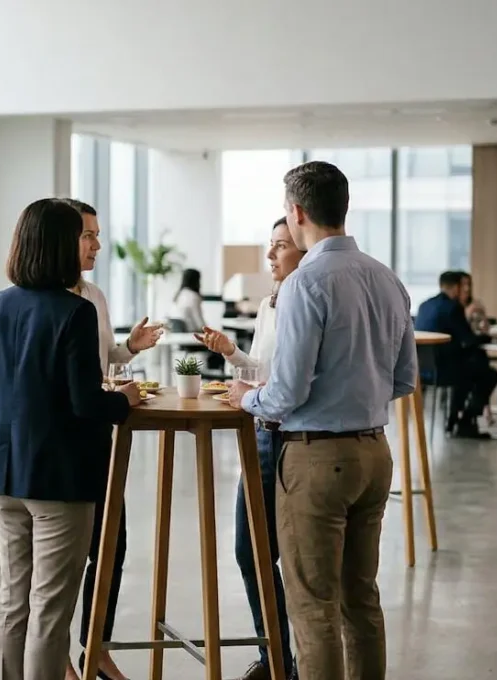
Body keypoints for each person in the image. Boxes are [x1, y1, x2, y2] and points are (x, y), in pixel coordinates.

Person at [228, 161, 415, 680]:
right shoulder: (387, 278)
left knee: (314, 608)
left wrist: (247, 397)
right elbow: (404, 379)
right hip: (374, 453)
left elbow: (286, 393)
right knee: (362, 599)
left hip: (317, 459)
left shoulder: (304, 283)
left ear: (297, 212)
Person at [0, 198, 142, 680]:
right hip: (59, 479)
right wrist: (124, 399)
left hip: (3, 475)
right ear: (59, 245)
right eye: (82, 236)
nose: (94, 245)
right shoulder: (75, 312)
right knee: (50, 609)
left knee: (13, 600)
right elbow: (87, 404)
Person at [195, 217, 302, 680]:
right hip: (260, 433)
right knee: (249, 550)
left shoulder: (307, 300)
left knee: (287, 556)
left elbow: (290, 382)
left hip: (290, 438)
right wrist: (231, 354)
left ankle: (287, 661)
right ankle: (277, 657)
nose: (271, 255)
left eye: (281, 245)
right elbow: (261, 368)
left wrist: (252, 391)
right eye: (271, 245)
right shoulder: (268, 304)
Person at [61, 199, 163, 680]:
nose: (97, 245)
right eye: (88, 235)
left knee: (110, 546)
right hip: (66, 439)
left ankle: (95, 647)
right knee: (62, 557)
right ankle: (57, 655)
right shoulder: (48, 301)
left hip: (102, 433)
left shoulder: (95, 296)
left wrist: (130, 348)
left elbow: (103, 359)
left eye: (97, 235)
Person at [414, 271, 497, 438]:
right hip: (446, 370)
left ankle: (456, 418)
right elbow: (468, 340)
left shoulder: (424, 305)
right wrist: (488, 337)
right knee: (489, 374)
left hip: (423, 371)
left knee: (475, 364)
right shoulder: (453, 307)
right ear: (457, 287)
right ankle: (465, 419)